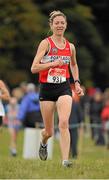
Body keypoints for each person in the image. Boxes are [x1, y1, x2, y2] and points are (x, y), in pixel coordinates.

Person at [31, 10, 84, 167]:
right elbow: (34, 68)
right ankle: (43, 140)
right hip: (47, 89)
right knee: (49, 131)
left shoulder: (70, 47)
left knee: (63, 122)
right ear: (51, 25)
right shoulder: (46, 43)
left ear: (66, 25)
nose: (60, 25)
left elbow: (73, 65)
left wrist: (77, 83)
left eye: (62, 23)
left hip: (64, 87)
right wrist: (52, 64)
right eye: (57, 23)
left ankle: (65, 161)